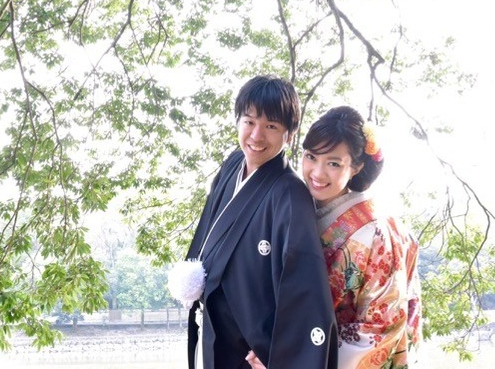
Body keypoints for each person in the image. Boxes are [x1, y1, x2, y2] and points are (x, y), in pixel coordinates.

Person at [180, 75, 338, 369]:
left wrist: (282, 357)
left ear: (288, 134)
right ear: (238, 121)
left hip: (252, 351)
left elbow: (304, 285)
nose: (256, 136)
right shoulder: (232, 166)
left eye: (271, 126)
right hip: (215, 331)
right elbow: (209, 228)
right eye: (249, 121)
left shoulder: (290, 194)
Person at [296, 105, 422, 369]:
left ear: (356, 167)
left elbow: (381, 325)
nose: (317, 173)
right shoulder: (297, 209)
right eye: (311, 157)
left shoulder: (377, 230)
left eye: (333, 163)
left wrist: (298, 356)